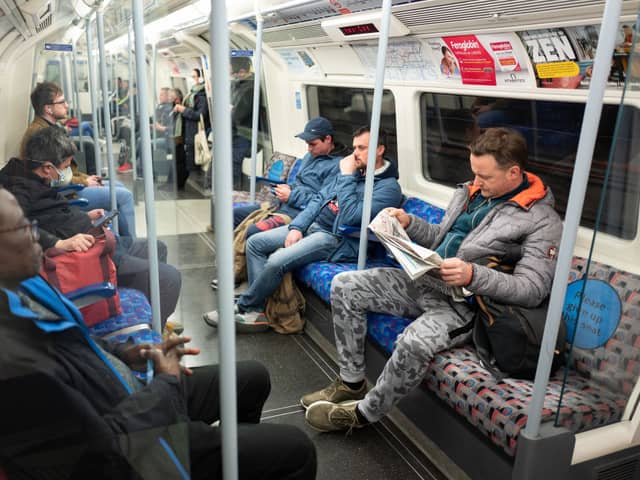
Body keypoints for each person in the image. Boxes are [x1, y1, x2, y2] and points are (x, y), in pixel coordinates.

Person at [0, 187, 317, 479]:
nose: (37, 234)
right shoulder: (14, 366)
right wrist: (165, 384)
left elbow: (77, 340)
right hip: (137, 448)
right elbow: (100, 454)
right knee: (298, 450)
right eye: (22, 227)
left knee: (252, 377)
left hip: (124, 390)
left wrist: (124, 353)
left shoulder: (24, 288)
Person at [300, 128, 563, 432]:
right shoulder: (471, 192)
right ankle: (351, 382)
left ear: (514, 172)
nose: (476, 182)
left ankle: (363, 414)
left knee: (413, 343)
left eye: (485, 177)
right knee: (346, 285)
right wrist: (409, 224)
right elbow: (442, 238)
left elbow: (532, 290)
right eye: (474, 173)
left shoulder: (541, 221)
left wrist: (473, 275)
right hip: (425, 280)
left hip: (462, 304)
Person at [203, 126, 403, 331]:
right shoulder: (354, 172)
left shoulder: (387, 188)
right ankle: (261, 308)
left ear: (379, 150)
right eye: (354, 148)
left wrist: (346, 177)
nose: (355, 154)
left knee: (276, 260)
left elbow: (351, 217)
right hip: (315, 225)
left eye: (362, 148)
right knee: (255, 242)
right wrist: (297, 227)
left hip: (337, 238)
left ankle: (246, 307)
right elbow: (318, 200)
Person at [1, 127, 181, 327]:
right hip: (87, 257)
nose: (67, 172)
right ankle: (154, 337)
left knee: (158, 247)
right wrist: (59, 243)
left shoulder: (27, 175)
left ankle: (155, 316)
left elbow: (50, 213)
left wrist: (84, 216)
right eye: (66, 166)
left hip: (93, 238)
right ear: (46, 168)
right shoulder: (17, 191)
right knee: (169, 277)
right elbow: (15, 230)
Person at [20, 81, 137, 238]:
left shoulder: (48, 128)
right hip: (61, 193)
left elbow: (64, 169)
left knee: (118, 185)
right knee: (124, 196)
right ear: (48, 108)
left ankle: (123, 242)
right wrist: (84, 182)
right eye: (62, 102)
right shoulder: (41, 135)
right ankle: (131, 243)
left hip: (67, 186)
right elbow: (53, 177)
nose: (67, 105)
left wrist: (86, 177)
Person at [233, 117, 343, 237]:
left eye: (313, 144)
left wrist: (291, 196)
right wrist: (287, 187)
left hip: (299, 214)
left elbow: (323, 203)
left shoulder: (339, 167)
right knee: (234, 215)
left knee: (253, 230)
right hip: (281, 205)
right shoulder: (310, 156)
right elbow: (299, 183)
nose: (309, 149)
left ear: (328, 139)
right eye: (307, 144)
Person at [173, 68, 210, 189]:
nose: (193, 79)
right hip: (187, 132)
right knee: (182, 158)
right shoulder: (191, 93)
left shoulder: (202, 96)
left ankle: (181, 184)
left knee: (189, 161)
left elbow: (200, 115)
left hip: (194, 131)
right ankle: (178, 183)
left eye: (194, 76)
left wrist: (184, 110)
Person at [230, 57, 255, 189]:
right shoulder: (235, 85)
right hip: (233, 132)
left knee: (234, 167)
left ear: (241, 71)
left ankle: (233, 202)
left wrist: (231, 110)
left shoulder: (251, 88)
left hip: (243, 134)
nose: (232, 77)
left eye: (233, 73)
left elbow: (239, 113)